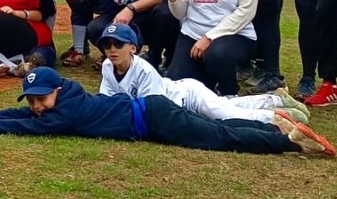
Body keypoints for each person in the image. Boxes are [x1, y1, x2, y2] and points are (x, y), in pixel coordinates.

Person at [0, 66, 335, 157]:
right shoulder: (62, 102)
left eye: (41, 99)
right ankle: (276, 130)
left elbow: (27, 128)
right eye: (32, 100)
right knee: (212, 125)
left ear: (58, 91)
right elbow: (22, 116)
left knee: (217, 137)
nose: (36, 106)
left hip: (154, 118)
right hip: (153, 113)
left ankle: (286, 142)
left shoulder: (67, 110)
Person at [97, 23, 311, 125]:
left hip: (187, 96)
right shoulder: (108, 66)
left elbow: (152, 108)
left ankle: (276, 118)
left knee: (224, 115)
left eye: (118, 44)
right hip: (179, 97)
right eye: (107, 45)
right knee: (226, 105)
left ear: (133, 48)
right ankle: (274, 99)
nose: (112, 50)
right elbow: (105, 100)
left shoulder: (143, 69)